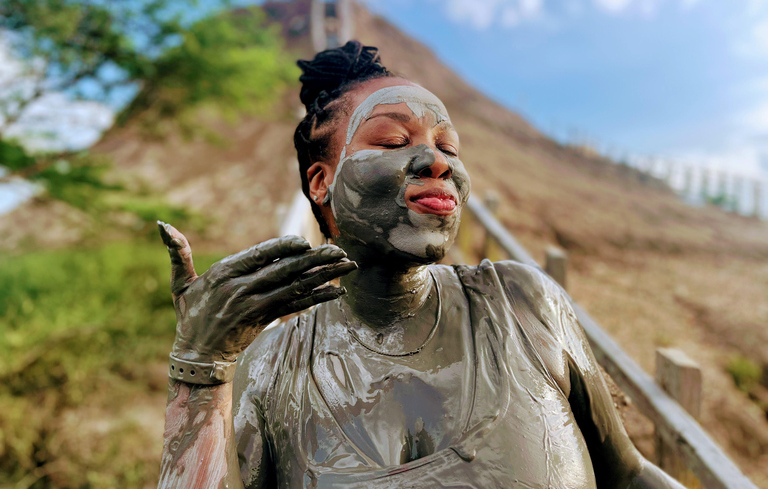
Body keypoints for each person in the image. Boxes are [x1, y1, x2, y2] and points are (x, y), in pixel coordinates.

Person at [156, 41, 684, 489]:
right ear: (321, 182)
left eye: (448, 145)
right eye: (393, 140)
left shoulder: (523, 306)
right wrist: (200, 371)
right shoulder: (271, 370)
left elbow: (631, 478)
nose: (438, 161)